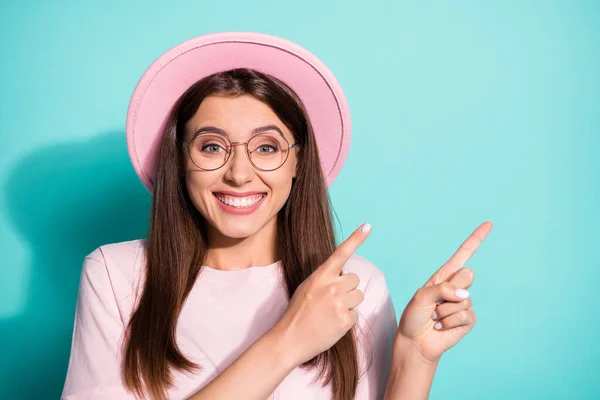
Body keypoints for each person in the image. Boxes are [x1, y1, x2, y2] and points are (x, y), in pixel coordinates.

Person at [61, 32, 492, 400]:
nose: (239, 174)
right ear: (180, 160)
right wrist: (288, 341)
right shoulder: (116, 275)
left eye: (266, 147)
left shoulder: (354, 286)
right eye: (212, 146)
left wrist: (415, 357)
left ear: (297, 162)